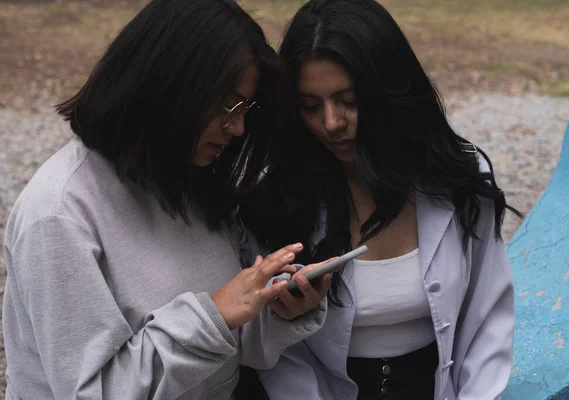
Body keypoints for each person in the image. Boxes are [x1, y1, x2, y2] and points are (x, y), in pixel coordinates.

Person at [1, 0, 331, 399]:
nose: (239, 128)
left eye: (246, 108)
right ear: (169, 85)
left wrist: (276, 309)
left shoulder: (183, 178)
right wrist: (213, 316)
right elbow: (92, 391)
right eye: (229, 105)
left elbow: (224, 346)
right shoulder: (59, 214)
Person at [239, 0, 521, 398]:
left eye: (349, 100)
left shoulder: (458, 177)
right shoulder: (274, 196)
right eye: (310, 106)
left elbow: (489, 315)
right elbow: (276, 357)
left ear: (390, 89)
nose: (333, 123)